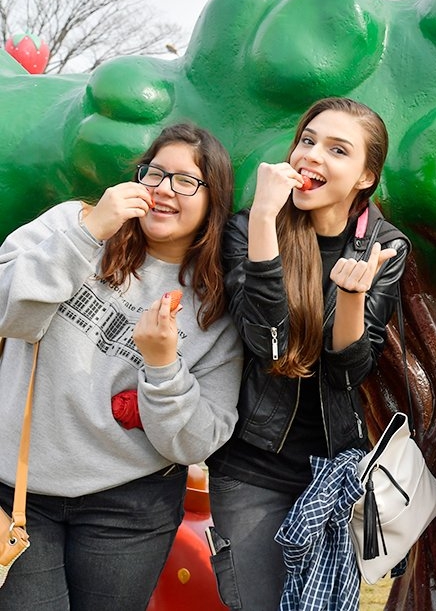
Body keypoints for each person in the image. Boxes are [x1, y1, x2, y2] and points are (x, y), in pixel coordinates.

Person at [0, 123, 242, 609]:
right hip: (21, 490)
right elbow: (12, 313)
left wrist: (162, 367)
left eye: (186, 181)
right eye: (155, 173)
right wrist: (88, 233)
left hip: (131, 506)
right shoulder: (71, 223)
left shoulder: (214, 305)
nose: (164, 190)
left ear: (212, 200)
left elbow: (197, 442)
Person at [206, 97, 410, 610]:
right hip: (252, 466)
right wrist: (263, 223)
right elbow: (267, 345)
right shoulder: (250, 226)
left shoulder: (384, 246)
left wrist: (351, 298)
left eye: (337, 150)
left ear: (365, 176)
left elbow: (349, 372)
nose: (311, 155)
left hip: (334, 472)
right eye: (307, 140)